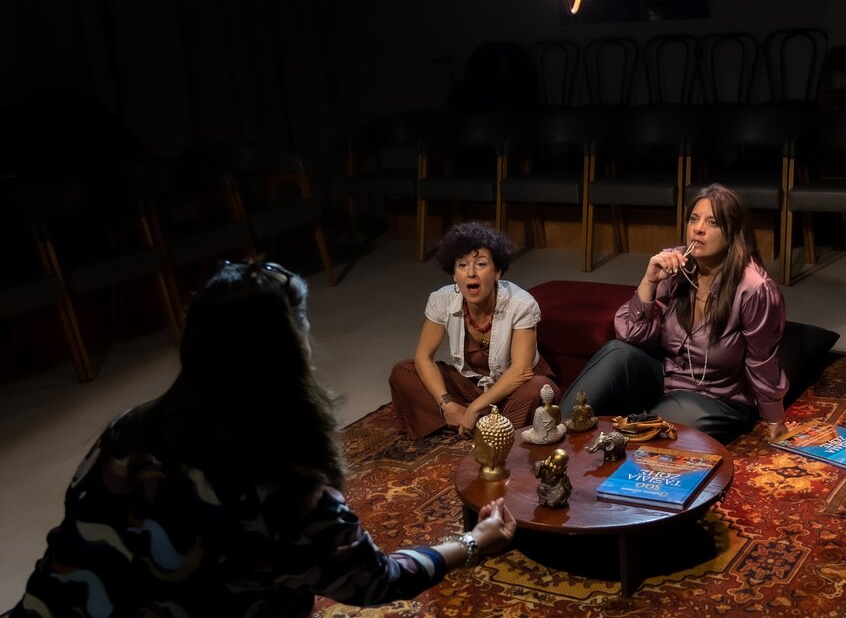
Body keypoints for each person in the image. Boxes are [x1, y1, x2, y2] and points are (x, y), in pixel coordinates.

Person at [11, 260, 517, 616]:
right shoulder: (284, 483)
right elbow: (374, 580)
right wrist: (475, 540)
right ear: (289, 352)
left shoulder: (127, 429)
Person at [561, 183, 789, 444]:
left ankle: (631, 447)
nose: (698, 229)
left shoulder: (754, 288)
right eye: (694, 219)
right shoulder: (676, 263)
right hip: (666, 378)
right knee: (616, 352)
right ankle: (558, 434)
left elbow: (762, 360)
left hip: (716, 397)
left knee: (651, 437)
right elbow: (632, 336)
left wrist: (774, 418)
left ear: (733, 232)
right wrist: (649, 282)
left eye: (712, 222)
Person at [389, 222, 557, 438]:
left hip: (512, 388)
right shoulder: (441, 300)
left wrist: (475, 408)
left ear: (497, 272)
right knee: (403, 371)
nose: (471, 273)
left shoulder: (521, 304)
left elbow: (520, 371)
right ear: (454, 274)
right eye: (462, 265)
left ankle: (475, 424)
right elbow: (424, 357)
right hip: (471, 385)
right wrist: (446, 403)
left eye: (481, 264)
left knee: (539, 389)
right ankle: (475, 423)